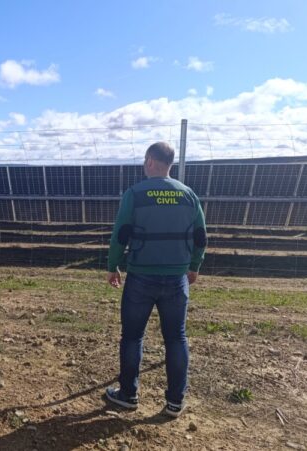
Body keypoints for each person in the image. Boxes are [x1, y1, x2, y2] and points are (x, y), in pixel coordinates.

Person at [104, 141, 207, 418]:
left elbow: (120, 234)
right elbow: (201, 236)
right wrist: (194, 266)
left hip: (141, 277)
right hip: (176, 279)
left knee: (132, 337)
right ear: (170, 164)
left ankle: (128, 395)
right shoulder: (188, 195)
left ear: (150, 161)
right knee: (176, 338)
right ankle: (175, 402)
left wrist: (113, 265)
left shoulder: (135, 194)